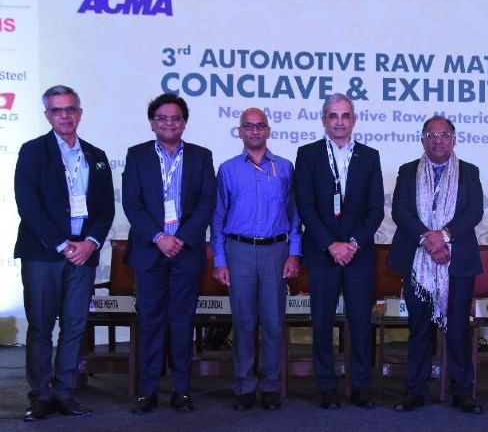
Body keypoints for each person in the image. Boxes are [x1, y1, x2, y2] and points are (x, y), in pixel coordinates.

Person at [15, 84, 114, 422]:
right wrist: (62, 244)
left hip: (84, 253)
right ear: (48, 116)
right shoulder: (33, 151)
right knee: (41, 327)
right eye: (57, 110)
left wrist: (90, 243)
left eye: (70, 109)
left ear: (80, 113)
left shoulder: (96, 156)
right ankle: (41, 395)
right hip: (44, 254)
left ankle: (65, 391)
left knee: (74, 325)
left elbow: (105, 208)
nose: (65, 116)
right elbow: (28, 205)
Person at [122, 93, 216, 414]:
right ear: (152, 123)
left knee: (182, 321)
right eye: (162, 118)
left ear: (184, 123)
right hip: (150, 251)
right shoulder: (137, 155)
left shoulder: (201, 156)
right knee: (150, 321)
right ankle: (147, 391)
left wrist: (182, 238)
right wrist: (159, 237)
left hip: (186, 251)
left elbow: (206, 202)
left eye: (175, 118)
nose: (169, 123)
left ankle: (181, 389)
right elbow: (132, 202)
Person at [387, 115, 484, 414]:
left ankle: (462, 392)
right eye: (431, 135)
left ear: (454, 139)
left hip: (458, 262)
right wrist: (427, 240)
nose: (438, 140)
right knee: (418, 329)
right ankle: (415, 390)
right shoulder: (407, 171)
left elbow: (474, 212)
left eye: (444, 135)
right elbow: (400, 210)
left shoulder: (469, 172)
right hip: (417, 260)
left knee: (458, 328)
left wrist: (443, 236)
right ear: (423, 139)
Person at [294, 93, 384, 409]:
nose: (340, 122)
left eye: (346, 115)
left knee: (360, 323)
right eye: (333, 115)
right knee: (322, 322)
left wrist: (353, 244)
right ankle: (327, 387)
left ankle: (360, 386)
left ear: (354, 120)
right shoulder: (307, 155)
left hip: (359, 255)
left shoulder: (369, 156)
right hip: (322, 253)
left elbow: (375, 209)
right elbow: (305, 206)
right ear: (324, 120)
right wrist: (331, 244)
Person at [211, 107, 301, 411]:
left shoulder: (285, 168)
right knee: (244, 322)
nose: (254, 131)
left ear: (268, 130)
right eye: (248, 126)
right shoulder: (227, 169)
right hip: (239, 252)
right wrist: (219, 259)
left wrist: (294, 253)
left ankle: (271, 385)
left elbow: (295, 215)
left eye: (260, 125)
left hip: (276, 251)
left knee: (274, 323)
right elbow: (218, 217)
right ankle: (244, 385)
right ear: (240, 131)